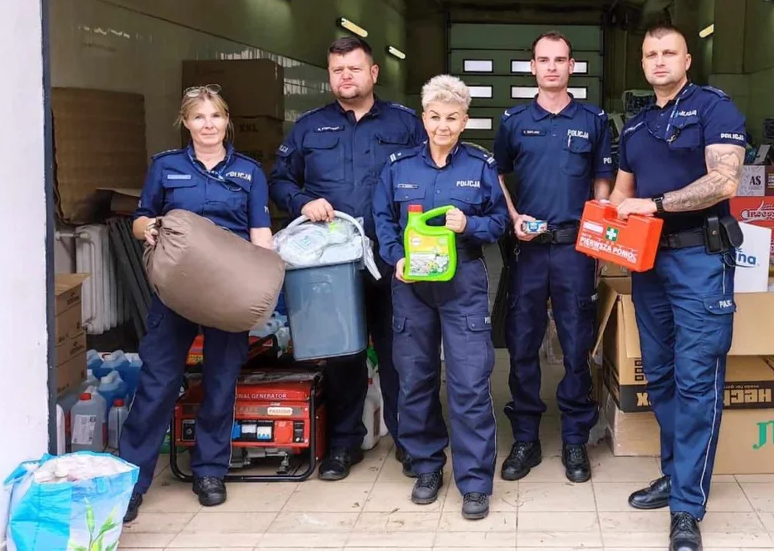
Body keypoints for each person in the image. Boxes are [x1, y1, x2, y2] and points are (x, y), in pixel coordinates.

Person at [609, 23, 747, 551]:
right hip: (648, 265)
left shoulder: (714, 109)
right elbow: (623, 194)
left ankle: (688, 506)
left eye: (669, 52)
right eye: (650, 54)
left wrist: (658, 204)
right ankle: (675, 474)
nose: (659, 60)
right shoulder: (638, 126)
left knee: (696, 381)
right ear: (643, 63)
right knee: (661, 376)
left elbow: (724, 181)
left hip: (699, 261)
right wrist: (605, 233)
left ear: (687, 58)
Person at [269, 36, 426, 481]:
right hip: (333, 265)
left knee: (401, 353)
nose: (346, 77)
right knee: (342, 353)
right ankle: (343, 444)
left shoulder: (405, 124)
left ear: (374, 73)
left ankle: (410, 443)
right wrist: (302, 201)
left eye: (355, 68)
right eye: (338, 70)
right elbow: (279, 180)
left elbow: (430, 172)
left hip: (391, 257)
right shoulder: (309, 128)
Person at [119, 85, 275, 522]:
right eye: (199, 117)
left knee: (221, 382)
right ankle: (132, 482)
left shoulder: (248, 172)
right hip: (177, 292)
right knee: (158, 384)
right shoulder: (165, 167)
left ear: (227, 120)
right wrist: (147, 228)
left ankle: (209, 472)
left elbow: (261, 236)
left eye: (216, 116)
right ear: (185, 123)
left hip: (226, 292)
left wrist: (264, 287)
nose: (208, 125)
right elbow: (140, 219)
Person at [372, 74, 509, 521]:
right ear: (423, 118)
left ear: (465, 121)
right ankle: (427, 466)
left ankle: (474, 482)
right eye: (435, 117)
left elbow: (499, 224)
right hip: (411, 284)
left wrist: (467, 225)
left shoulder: (480, 166)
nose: (442, 126)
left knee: (469, 383)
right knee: (415, 379)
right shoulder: (399, 167)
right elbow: (383, 221)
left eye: (452, 117)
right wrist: (396, 259)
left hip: (463, 283)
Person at [492, 31, 613, 482]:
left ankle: (575, 440)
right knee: (522, 344)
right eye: (543, 60)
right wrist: (512, 215)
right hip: (528, 250)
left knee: (577, 344)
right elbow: (499, 175)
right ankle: (525, 438)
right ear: (532, 67)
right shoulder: (513, 120)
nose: (552, 67)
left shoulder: (594, 119)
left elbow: (603, 181)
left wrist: (597, 241)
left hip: (575, 248)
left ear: (573, 66)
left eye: (560, 60)